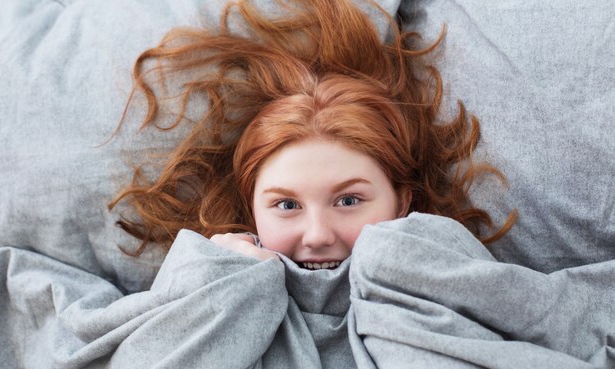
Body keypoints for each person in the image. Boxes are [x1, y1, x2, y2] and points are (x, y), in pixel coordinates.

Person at [109, 0, 515, 265]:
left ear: (402, 202)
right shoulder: (209, 275)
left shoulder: (454, 268)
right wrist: (211, 284)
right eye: (286, 206)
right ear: (252, 211)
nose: (318, 236)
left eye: (349, 200)